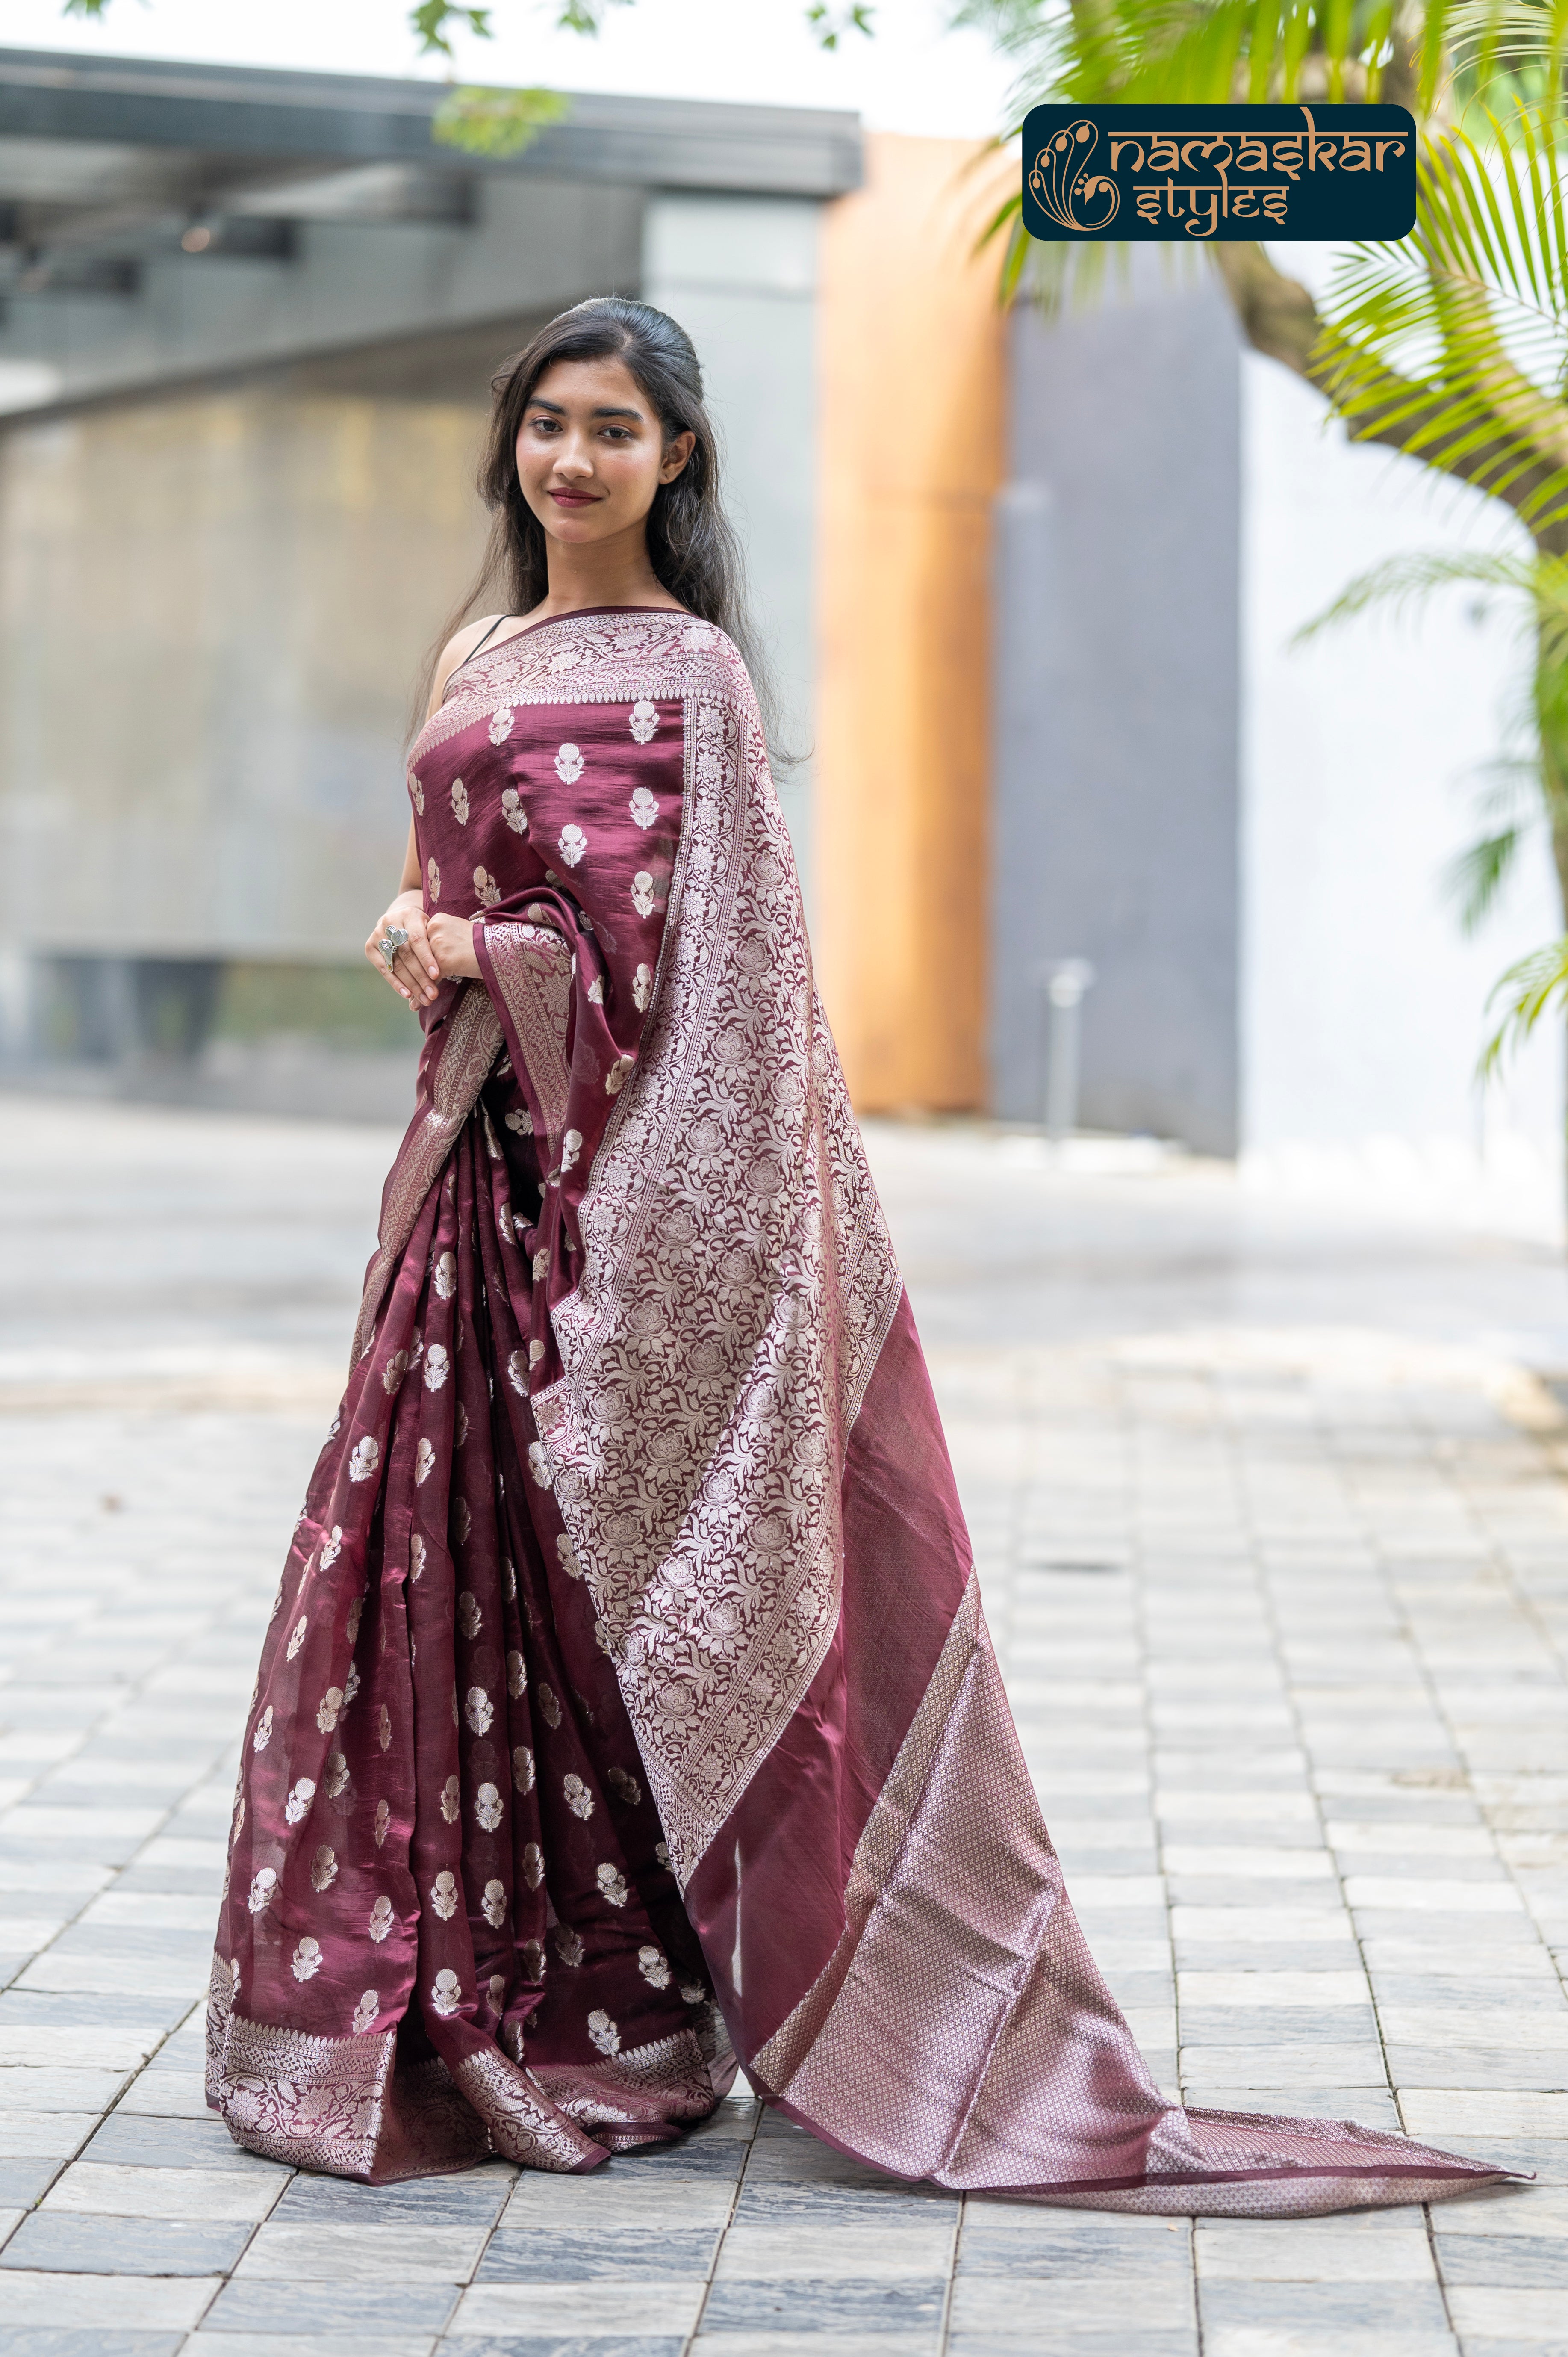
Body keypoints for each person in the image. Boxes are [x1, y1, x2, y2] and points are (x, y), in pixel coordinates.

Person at [207, 296, 1511, 2211]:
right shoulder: (477, 648)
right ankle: (450, 1993)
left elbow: (692, 979)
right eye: (549, 424)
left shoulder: (696, 683)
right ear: (512, 444)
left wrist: (483, 954)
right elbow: (463, 877)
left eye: (615, 429)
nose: (572, 459)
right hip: (467, 1210)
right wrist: (419, 924)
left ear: (679, 459)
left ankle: (623, 2008)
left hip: (608, 1211)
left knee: (593, 1618)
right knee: (431, 1599)